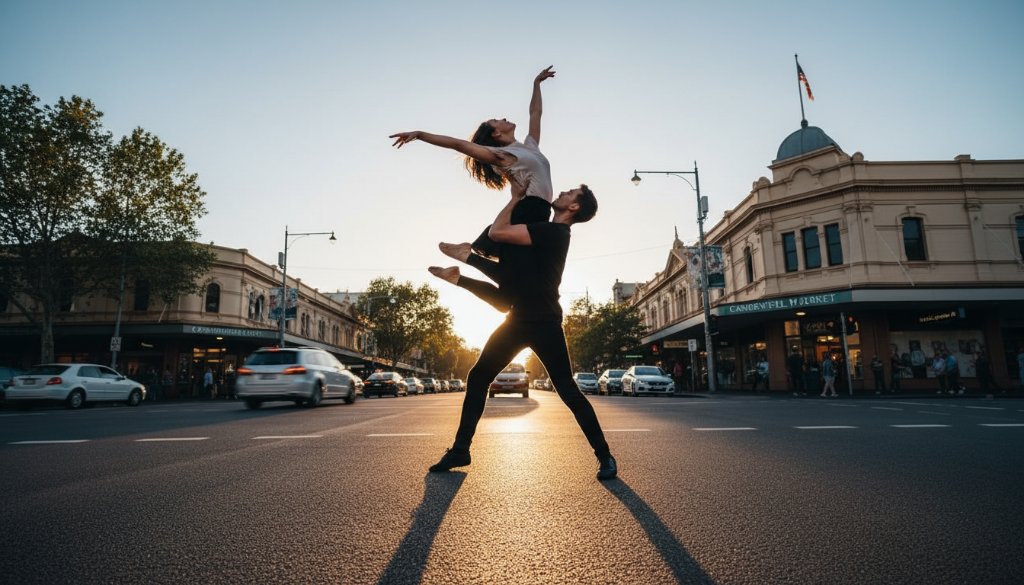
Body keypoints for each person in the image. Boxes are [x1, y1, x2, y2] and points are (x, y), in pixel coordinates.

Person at [427, 186, 617, 481]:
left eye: (569, 193)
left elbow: (499, 232)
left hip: (545, 322)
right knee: (478, 377)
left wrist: (515, 198)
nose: (563, 191)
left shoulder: (554, 233)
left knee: (567, 389)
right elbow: (511, 276)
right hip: (516, 318)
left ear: (574, 208)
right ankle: (460, 449)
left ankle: (604, 455)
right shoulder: (543, 233)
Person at [390, 66, 557, 311]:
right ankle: (465, 257)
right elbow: (459, 145)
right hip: (529, 210)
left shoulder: (529, 146)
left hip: (539, 211)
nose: (501, 117)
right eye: (496, 120)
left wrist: (536, 83)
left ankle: (463, 261)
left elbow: (536, 113)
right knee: (519, 281)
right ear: (497, 133)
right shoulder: (501, 155)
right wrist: (420, 134)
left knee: (509, 293)